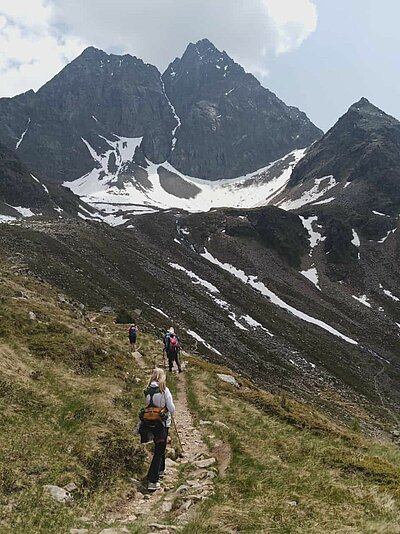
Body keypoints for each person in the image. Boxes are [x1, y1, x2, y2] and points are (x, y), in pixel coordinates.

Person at [143, 368, 175, 491]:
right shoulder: (164, 390)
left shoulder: (148, 391)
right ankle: (153, 480)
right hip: (162, 423)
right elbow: (171, 408)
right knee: (159, 450)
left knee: (159, 447)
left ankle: (161, 470)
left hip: (149, 423)